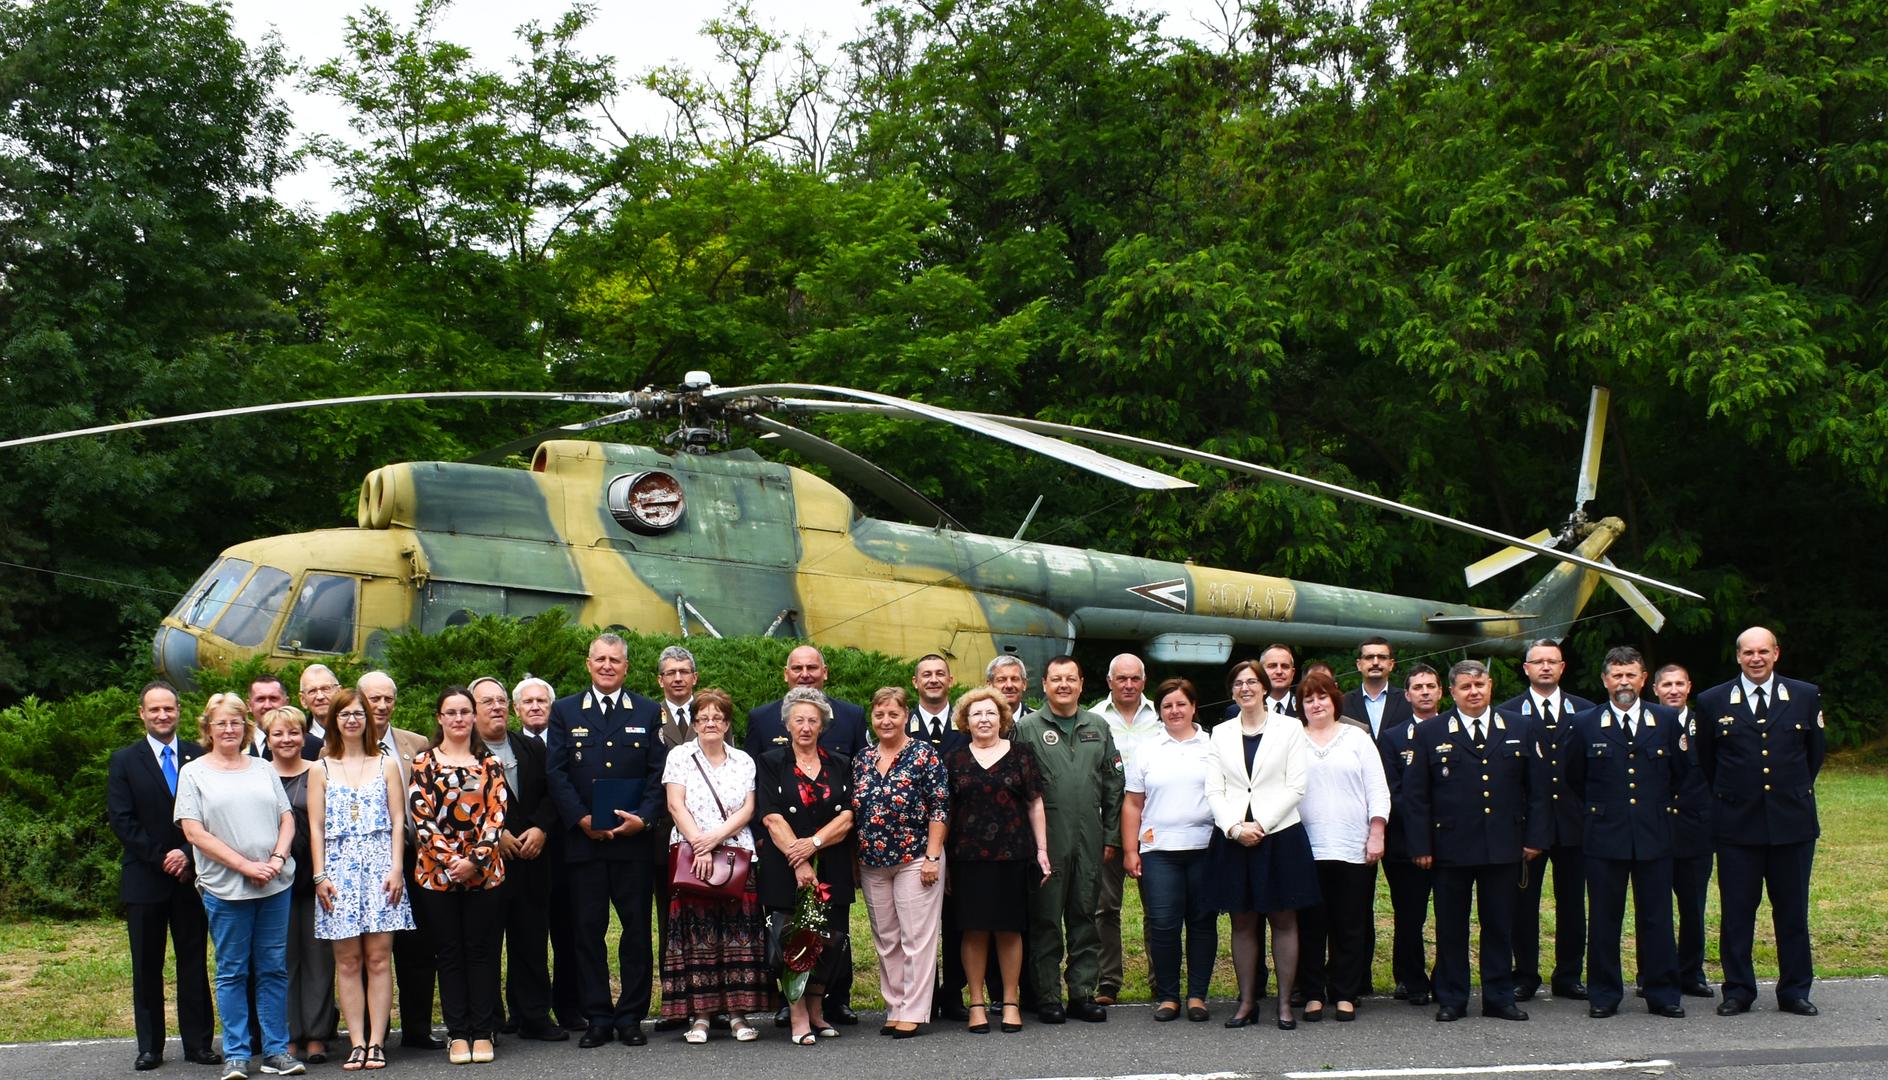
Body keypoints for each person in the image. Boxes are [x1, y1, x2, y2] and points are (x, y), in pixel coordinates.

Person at [543, 633, 671, 1049]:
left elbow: (658, 773)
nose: (607, 665)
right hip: (585, 844)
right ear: (588, 663)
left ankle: (632, 1016)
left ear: (626, 667)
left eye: (615, 660)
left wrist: (645, 819)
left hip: (633, 844)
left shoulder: (649, 711)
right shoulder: (563, 711)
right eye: (600, 659)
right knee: (587, 931)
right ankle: (597, 1015)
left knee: (636, 932)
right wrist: (580, 818)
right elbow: (556, 773)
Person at [1406, 659, 1550, 1022]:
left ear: (1490, 688)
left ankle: (1499, 997)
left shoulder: (1520, 727)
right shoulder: (1430, 732)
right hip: (1450, 847)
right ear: (1451, 692)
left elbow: (1537, 791)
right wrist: (1421, 846)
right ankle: (1453, 998)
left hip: (1503, 845)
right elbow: (1416, 796)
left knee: (1499, 925)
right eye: (1466, 686)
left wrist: (1534, 839)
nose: (1474, 692)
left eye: (1480, 685)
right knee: (1451, 926)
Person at [1694, 626, 1824, 1017]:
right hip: (1737, 825)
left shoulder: (1804, 695)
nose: (1756, 659)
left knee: (1792, 912)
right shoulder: (1713, 700)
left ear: (1776, 654)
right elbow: (1707, 760)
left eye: (1763, 652)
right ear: (1738, 656)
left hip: (1792, 824)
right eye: (1748, 652)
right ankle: (1738, 990)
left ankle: (1795, 991)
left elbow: (1813, 754)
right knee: (1737, 912)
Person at [173, 693, 304, 1079]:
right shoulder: (194, 773)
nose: (228, 729)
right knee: (231, 972)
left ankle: (277, 1051)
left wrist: (277, 860)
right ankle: (236, 1054)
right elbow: (194, 832)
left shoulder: (263, 768)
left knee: (273, 969)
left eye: (235, 723)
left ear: (246, 728)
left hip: (275, 885)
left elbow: (287, 818)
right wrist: (246, 865)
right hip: (225, 888)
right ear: (208, 729)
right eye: (220, 723)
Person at [744, 646, 867, 1026]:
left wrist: (814, 845)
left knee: (832, 936)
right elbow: (768, 811)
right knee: (789, 936)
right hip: (784, 860)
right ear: (787, 725)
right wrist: (797, 857)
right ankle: (792, 1007)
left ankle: (826, 1004)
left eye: (812, 721)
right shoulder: (768, 751)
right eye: (799, 720)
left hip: (830, 858)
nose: (805, 726)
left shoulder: (842, 758)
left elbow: (851, 810)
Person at [1566, 647, 1687, 1020]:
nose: (1624, 683)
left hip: (1653, 833)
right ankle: (1603, 994)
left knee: (1657, 918)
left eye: (1630, 675)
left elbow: (1681, 773)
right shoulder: (1586, 723)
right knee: (1604, 918)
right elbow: (1574, 778)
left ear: (1643, 679)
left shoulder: (1666, 720)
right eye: (1616, 676)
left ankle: (1663, 992)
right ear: (1604, 680)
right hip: (1605, 835)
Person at [107, 681, 218, 1072]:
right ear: (142, 713)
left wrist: (187, 854)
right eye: (153, 710)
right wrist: (163, 858)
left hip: (192, 878)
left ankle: (199, 1045)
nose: (162, 715)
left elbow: (211, 815)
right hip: (145, 879)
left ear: (178, 711)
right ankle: (150, 1047)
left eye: (168, 709)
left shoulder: (198, 756)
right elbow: (122, 821)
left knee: (193, 962)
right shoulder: (124, 760)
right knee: (147, 965)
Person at [1206, 658, 1317, 1030]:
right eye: (1238, 683)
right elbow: (1214, 789)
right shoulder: (1220, 733)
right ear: (1231, 690)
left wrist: (1262, 824)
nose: (1246, 688)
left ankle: (1285, 1004)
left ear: (1265, 687)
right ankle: (1247, 1002)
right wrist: (1235, 828)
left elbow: (1296, 786)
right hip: (1235, 838)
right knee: (1242, 921)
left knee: (1284, 919)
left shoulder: (1290, 728)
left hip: (1279, 835)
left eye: (1252, 681)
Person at [310, 688, 413, 1073]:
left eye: (358, 714)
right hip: (337, 869)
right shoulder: (320, 768)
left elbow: (399, 820)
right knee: (348, 960)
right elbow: (316, 826)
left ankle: (376, 1041)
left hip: (381, 866)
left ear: (367, 720)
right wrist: (320, 875)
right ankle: (355, 1042)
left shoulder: (385, 763)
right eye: (345, 714)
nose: (352, 720)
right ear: (334, 721)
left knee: (378, 957)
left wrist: (396, 867)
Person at [1015, 657, 1123, 1025]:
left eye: (1070, 679)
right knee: (1045, 918)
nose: (1064, 685)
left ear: (1081, 684)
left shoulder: (1098, 725)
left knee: (1085, 917)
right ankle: (1046, 997)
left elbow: (1113, 785)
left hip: (1090, 838)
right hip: (1047, 839)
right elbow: (1018, 791)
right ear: (1043, 684)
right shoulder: (1027, 728)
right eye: (1056, 679)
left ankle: (1082, 993)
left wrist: (1111, 835)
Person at [658, 688, 768, 1044]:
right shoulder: (679, 756)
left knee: (739, 937)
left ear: (727, 722)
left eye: (717, 717)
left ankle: (737, 1015)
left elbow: (748, 809)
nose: (710, 723)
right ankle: (701, 1016)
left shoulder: (743, 761)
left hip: (737, 855)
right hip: (692, 857)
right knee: (698, 937)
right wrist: (699, 845)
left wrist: (714, 839)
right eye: (703, 717)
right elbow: (676, 805)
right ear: (694, 723)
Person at [408, 686, 509, 1065]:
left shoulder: (491, 763)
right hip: (437, 876)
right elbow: (422, 817)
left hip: (485, 875)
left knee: (481, 953)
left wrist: (475, 862)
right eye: (450, 712)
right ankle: (458, 1033)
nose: (458, 719)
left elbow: (496, 817)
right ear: (439, 718)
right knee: (449, 953)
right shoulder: (423, 763)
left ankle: (482, 1031)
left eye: (465, 712)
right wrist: (453, 863)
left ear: (473, 716)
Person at [944, 687, 1051, 1036]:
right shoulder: (955, 760)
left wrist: (1042, 851)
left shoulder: (1022, 754)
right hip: (968, 858)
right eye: (977, 714)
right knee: (973, 930)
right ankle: (976, 1003)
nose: (984, 719)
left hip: (1013, 855)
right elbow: (944, 812)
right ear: (966, 721)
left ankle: (1010, 1001)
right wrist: (940, 857)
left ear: (1002, 718)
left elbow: (1035, 804)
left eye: (991, 713)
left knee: (1009, 929)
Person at [469, 678, 566, 1042]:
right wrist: (499, 834)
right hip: (488, 863)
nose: (496, 708)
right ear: (473, 709)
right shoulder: (465, 754)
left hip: (532, 858)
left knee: (531, 941)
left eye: (500, 701)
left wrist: (541, 828)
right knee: (487, 944)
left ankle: (534, 1016)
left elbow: (552, 792)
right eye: (486, 702)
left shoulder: (530, 748)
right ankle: (490, 1020)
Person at [1499, 639, 1594, 1002]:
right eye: (1537, 662)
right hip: (1528, 828)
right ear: (1526, 669)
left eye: (1551, 661)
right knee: (1523, 906)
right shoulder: (1508, 714)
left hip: (1574, 824)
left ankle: (1569, 975)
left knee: (1573, 904)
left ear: (1562, 667)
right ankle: (1524, 973)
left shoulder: (1585, 711)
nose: (1544, 667)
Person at [853, 687, 951, 1038]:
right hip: (872, 862)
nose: (886, 721)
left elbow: (940, 806)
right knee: (886, 939)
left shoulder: (924, 754)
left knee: (916, 939)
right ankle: (894, 1006)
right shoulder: (862, 758)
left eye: (893, 714)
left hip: (915, 859)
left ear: (906, 716)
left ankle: (914, 1010)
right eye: (879, 715)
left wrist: (933, 857)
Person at [1120, 678, 1216, 1025]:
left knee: (1202, 924)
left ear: (1193, 706)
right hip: (1158, 850)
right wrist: (1131, 850)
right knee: (1163, 925)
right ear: (1159, 712)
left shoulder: (1213, 745)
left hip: (1205, 848)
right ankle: (1168, 996)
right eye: (1167, 706)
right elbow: (1132, 803)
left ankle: (1197, 996)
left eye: (1181, 704)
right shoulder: (1147, 748)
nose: (1174, 711)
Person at [358, 671, 440, 1051]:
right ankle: (371, 1035)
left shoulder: (416, 743)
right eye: (373, 699)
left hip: (414, 856)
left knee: (419, 946)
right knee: (369, 951)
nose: (381, 705)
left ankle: (418, 1030)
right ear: (359, 700)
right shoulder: (339, 747)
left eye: (387, 698)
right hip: (366, 862)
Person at [265, 707, 337, 1064]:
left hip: (316, 877)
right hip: (273, 879)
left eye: (293, 732)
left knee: (318, 959)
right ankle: (288, 1034)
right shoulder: (259, 775)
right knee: (282, 959)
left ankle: (317, 1033)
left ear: (304, 736)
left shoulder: (319, 772)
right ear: (267, 739)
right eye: (278, 734)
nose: (286, 740)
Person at [1088, 653, 1160, 1007]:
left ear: (1143, 681)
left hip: (1155, 823)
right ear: (1110, 681)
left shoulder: (1162, 717)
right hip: (1108, 821)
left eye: (1135, 678)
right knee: (1105, 907)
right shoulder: (1093, 719)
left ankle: (1160, 980)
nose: (1128, 685)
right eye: (1122, 679)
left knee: (1158, 906)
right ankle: (1108, 981)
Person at [906, 654, 971, 1021]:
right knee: (918, 926)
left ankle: (954, 993)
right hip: (915, 842)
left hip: (960, 838)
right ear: (915, 682)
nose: (933, 679)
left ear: (951, 680)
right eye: (926, 675)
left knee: (957, 921)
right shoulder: (902, 725)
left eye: (939, 674)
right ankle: (923, 995)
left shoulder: (966, 727)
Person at [512, 675, 579, 1028]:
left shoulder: (568, 743)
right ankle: (525, 1011)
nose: (535, 706)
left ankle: (570, 1007)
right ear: (516, 709)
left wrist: (544, 826)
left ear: (552, 707)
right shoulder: (508, 747)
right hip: (523, 855)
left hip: (566, 853)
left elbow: (565, 789)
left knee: (568, 935)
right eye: (528, 702)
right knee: (526, 937)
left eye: (542, 701)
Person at [1653, 663, 1717, 998]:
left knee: (1693, 908)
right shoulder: (1645, 726)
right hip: (1657, 832)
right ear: (1655, 689)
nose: (1673, 690)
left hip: (1695, 831)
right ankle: (1654, 972)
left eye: (1679, 684)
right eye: (1667, 685)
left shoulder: (1703, 727)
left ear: (1689, 687)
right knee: (1654, 911)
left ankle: (1691, 972)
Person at [1380, 663, 1441, 1007]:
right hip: (1404, 842)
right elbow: (1395, 792)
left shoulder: (1455, 728)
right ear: (1408, 695)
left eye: (1431, 686)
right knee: (1409, 915)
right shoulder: (1392, 737)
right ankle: (1411, 979)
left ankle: (1445, 976)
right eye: (1418, 687)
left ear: (1441, 691)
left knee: (1450, 914)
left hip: (1451, 840)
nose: (1425, 692)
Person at [649, 647, 701, 1033]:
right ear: (660, 680)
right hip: (663, 835)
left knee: (709, 917)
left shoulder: (714, 714)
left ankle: (711, 999)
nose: (678, 678)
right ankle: (676, 1003)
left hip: (711, 838)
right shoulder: (650, 717)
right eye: (671, 673)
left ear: (694, 678)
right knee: (670, 919)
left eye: (685, 671)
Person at [1343, 638, 1412, 742]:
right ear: (1359, 665)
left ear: (1391, 664)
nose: (1375, 662)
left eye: (1382, 657)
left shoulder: (1408, 700)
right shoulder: (1343, 703)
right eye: (1369, 657)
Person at [298, 666, 341, 744]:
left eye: (325, 689)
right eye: (312, 691)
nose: (320, 697)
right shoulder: (297, 741)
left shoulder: (357, 735)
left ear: (339, 692)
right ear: (303, 700)